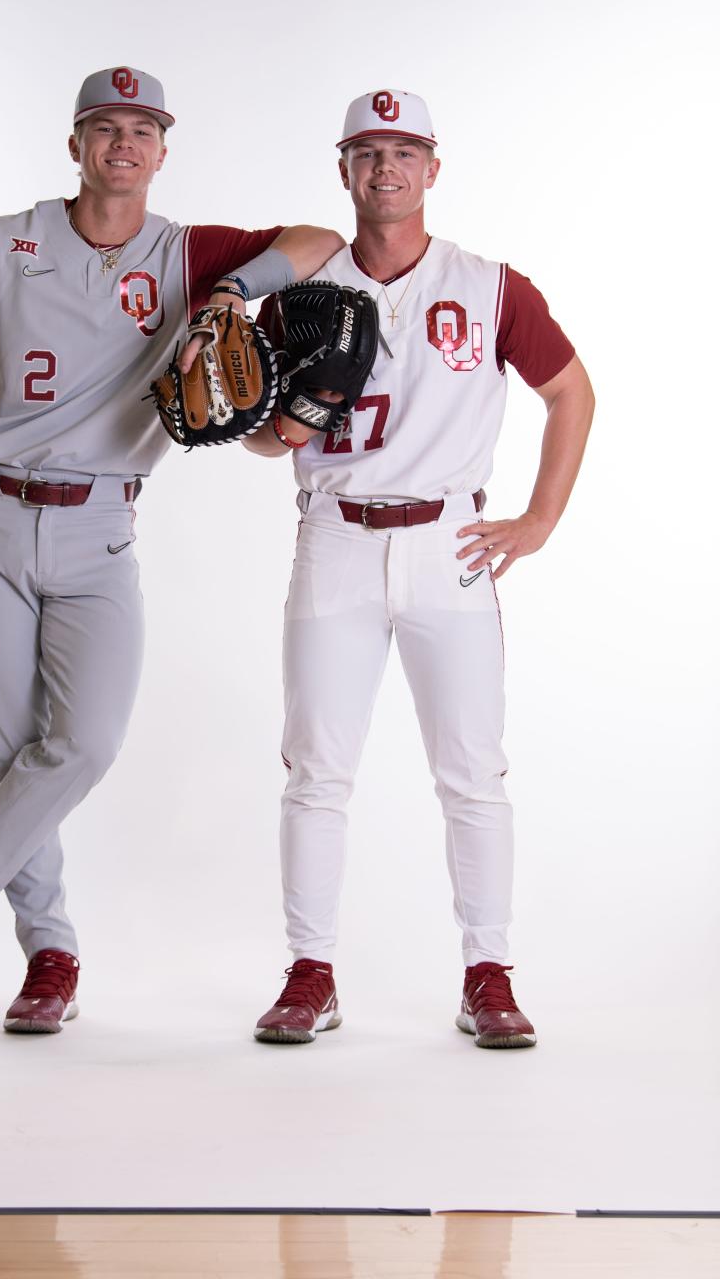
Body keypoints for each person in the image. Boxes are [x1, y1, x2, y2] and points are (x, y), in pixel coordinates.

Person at [0, 66, 343, 1034]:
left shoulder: (187, 253)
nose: (125, 144)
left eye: (144, 129)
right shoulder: (8, 243)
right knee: (10, 751)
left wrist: (229, 296)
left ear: (163, 151)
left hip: (103, 524)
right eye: (106, 127)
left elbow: (320, 239)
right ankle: (51, 957)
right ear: (74, 144)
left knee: (83, 742)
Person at [244, 89, 594, 1048]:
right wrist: (286, 417)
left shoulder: (488, 285)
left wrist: (540, 519)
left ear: (433, 169)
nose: (385, 169)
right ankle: (310, 972)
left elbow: (570, 392)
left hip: (451, 543)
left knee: (472, 771)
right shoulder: (302, 295)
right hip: (337, 539)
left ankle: (490, 973)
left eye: (404, 153)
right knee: (316, 771)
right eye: (367, 152)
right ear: (344, 170)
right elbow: (267, 443)